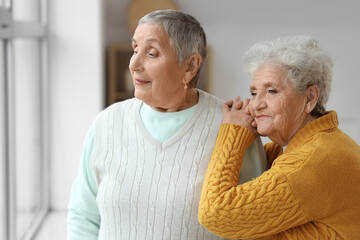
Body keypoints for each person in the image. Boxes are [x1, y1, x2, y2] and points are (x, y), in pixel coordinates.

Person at [67, 9, 267, 240]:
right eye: (135, 50)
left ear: (190, 66)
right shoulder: (108, 123)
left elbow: (251, 224)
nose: (134, 64)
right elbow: (84, 215)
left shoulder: (233, 127)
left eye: (151, 53)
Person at [198, 35, 360, 239]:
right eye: (254, 93)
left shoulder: (312, 159)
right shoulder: (306, 146)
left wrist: (234, 132)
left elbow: (215, 214)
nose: (255, 104)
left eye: (272, 91)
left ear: (309, 98)